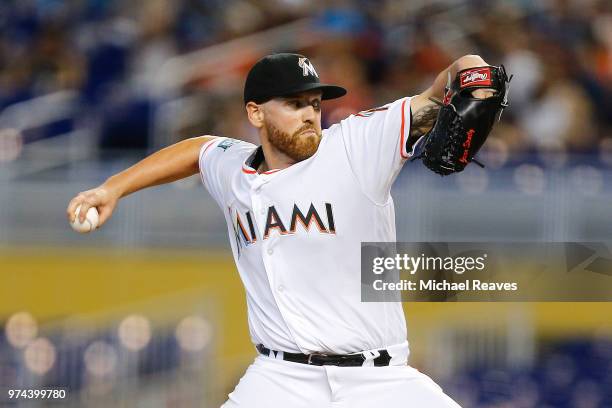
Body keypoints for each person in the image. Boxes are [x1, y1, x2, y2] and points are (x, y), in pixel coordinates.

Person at [67, 52, 495, 407]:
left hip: (378, 382)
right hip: (279, 380)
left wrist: (471, 71)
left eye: (314, 103)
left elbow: (442, 86)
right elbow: (197, 151)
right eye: (294, 104)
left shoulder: (355, 145)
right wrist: (113, 189)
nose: (311, 114)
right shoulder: (233, 167)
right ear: (255, 112)